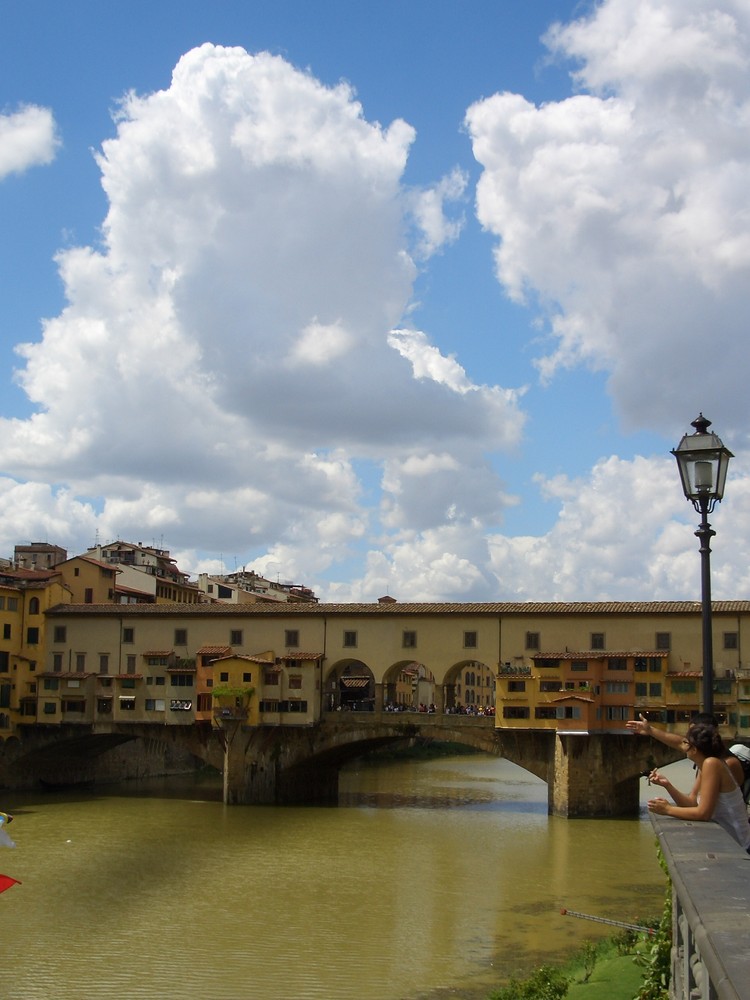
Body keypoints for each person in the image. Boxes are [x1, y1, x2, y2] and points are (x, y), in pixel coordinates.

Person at [647, 721, 750, 853]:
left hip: (742, 845)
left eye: (686, 743)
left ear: (694, 749)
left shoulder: (711, 763)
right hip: (731, 844)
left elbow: (703, 813)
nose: (683, 746)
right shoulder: (706, 765)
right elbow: (692, 804)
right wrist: (668, 785)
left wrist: (667, 809)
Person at [627, 712, 745, 787]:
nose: (688, 740)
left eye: (693, 734)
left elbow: (704, 810)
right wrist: (650, 730)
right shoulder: (705, 760)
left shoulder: (726, 763)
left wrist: (668, 809)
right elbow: (679, 742)